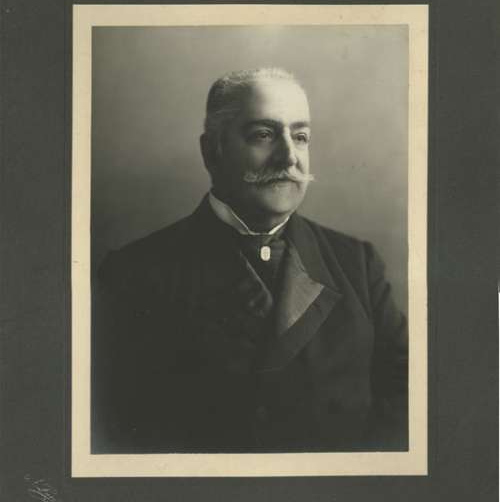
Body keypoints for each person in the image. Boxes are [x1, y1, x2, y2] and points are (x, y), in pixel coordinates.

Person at [92, 67, 408, 454]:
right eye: (263, 134)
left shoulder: (358, 265)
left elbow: (407, 400)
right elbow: (115, 432)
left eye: (300, 137)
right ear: (212, 151)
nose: (289, 157)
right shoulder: (132, 276)